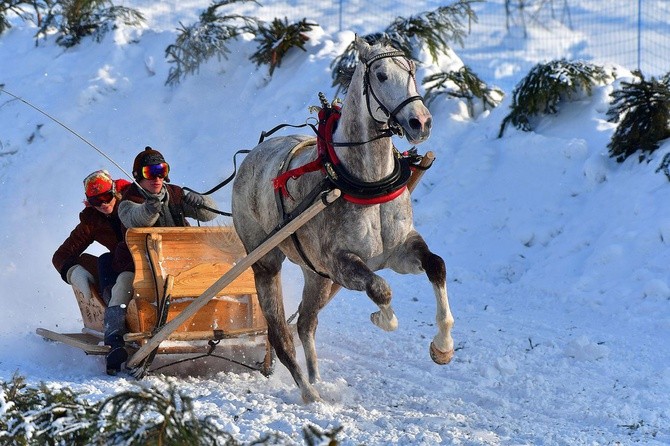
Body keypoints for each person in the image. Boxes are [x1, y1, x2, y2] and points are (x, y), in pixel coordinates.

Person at [104, 146, 217, 373]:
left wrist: (201, 202)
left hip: (179, 263)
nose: (157, 178)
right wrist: (149, 209)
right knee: (122, 288)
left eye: (161, 171)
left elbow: (210, 214)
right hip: (138, 266)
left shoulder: (175, 194)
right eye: (150, 172)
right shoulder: (128, 201)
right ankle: (114, 340)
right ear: (138, 176)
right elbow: (135, 219)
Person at [53, 171, 134, 375]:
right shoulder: (93, 220)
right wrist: (72, 272)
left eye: (106, 197)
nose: (103, 204)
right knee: (106, 260)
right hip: (121, 267)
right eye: (95, 201)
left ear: (115, 192)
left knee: (112, 262)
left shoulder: (134, 204)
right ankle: (112, 321)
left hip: (147, 263)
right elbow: (62, 254)